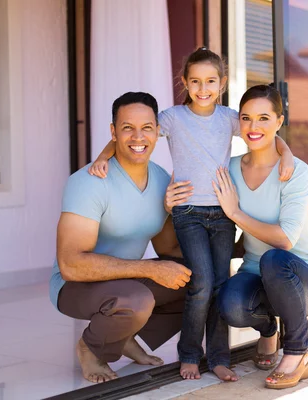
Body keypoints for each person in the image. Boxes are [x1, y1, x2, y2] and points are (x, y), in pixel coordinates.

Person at [87, 48, 295, 381]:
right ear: (184, 82)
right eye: (195, 81)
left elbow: (269, 134)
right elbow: (137, 130)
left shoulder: (229, 117)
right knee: (200, 283)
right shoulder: (171, 118)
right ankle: (189, 354)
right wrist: (103, 156)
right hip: (188, 212)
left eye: (211, 81)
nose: (202, 88)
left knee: (221, 285)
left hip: (223, 214)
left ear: (222, 83)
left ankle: (219, 357)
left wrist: (286, 156)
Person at [168, 84, 308, 389]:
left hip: (302, 278)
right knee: (228, 303)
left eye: (264, 118)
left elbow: (284, 240)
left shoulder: (294, 171)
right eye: (246, 118)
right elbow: (199, 209)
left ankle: (298, 351)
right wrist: (171, 202)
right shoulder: (228, 170)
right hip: (256, 274)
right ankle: (268, 330)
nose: (254, 127)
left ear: (279, 122)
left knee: (274, 258)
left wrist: (236, 214)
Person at [49, 92, 192, 384]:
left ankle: (119, 335)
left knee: (198, 280)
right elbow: (71, 265)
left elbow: (167, 248)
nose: (138, 136)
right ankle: (91, 347)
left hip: (124, 282)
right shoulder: (89, 183)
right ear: (113, 132)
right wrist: (149, 269)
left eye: (146, 127)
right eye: (127, 127)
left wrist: (219, 254)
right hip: (75, 285)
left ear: (157, 132)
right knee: (134, 300)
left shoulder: (162, 179)